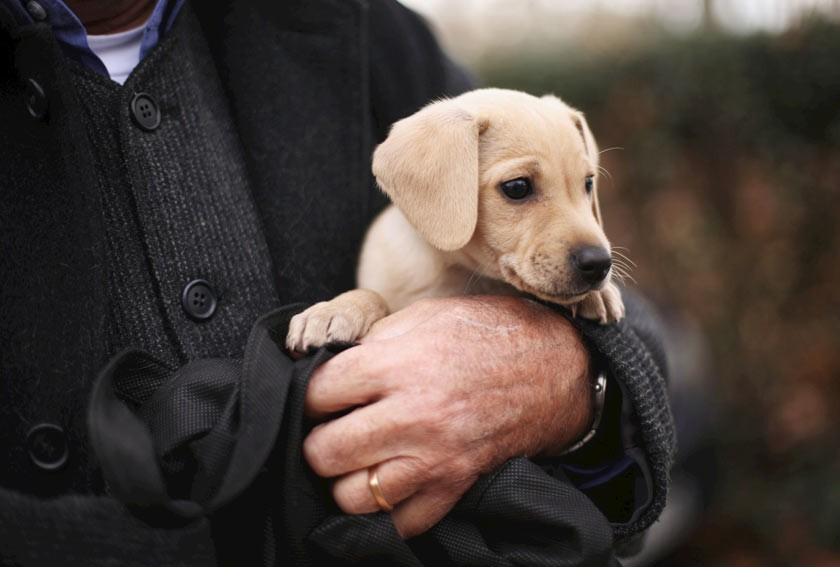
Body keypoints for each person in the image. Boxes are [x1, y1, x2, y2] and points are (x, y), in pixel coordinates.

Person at [0, 0, 675, 564]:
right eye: (520, 188)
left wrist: (563, 377)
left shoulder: (349, 23)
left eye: (589, 186)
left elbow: (632, 336)